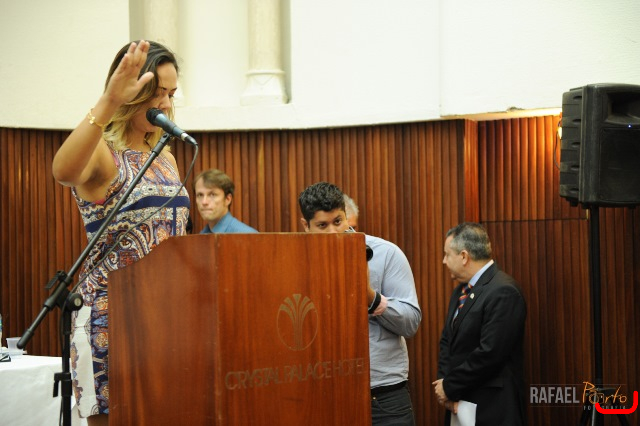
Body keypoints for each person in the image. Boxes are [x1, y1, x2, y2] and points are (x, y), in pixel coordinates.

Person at [51, 40, 190, 426]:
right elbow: (62, 171)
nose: (165, 104)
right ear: (132, 92)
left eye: (171, 94)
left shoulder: (165, 156)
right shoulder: (101, 153)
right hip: (109, 318)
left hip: (166, 315)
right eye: (156, 92)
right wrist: (110, 99)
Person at [298, 182, 422, 426]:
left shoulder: (386, 254)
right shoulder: (293, 259)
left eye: (338, 221)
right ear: (305, 225)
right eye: (322, 225)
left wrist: (370, 297)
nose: (333, 232)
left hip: (383, 397)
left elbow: (411, 323)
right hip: (322, 394)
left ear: (346, 216)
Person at [433, 222, 527, 426]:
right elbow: (447, 342)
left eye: (447, 254)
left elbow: (490, 353)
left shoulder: (503, 291)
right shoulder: (460, 291)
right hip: (458, 403)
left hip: (491, 408)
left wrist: (449, 386)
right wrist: (445, 389)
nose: (444, 261)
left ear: (464, 256)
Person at [193, 168, 258, 233]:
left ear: (228, 199)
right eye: (200, 195)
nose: (204, 202)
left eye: (212, 195)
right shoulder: (201, 235)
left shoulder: (247, 235)